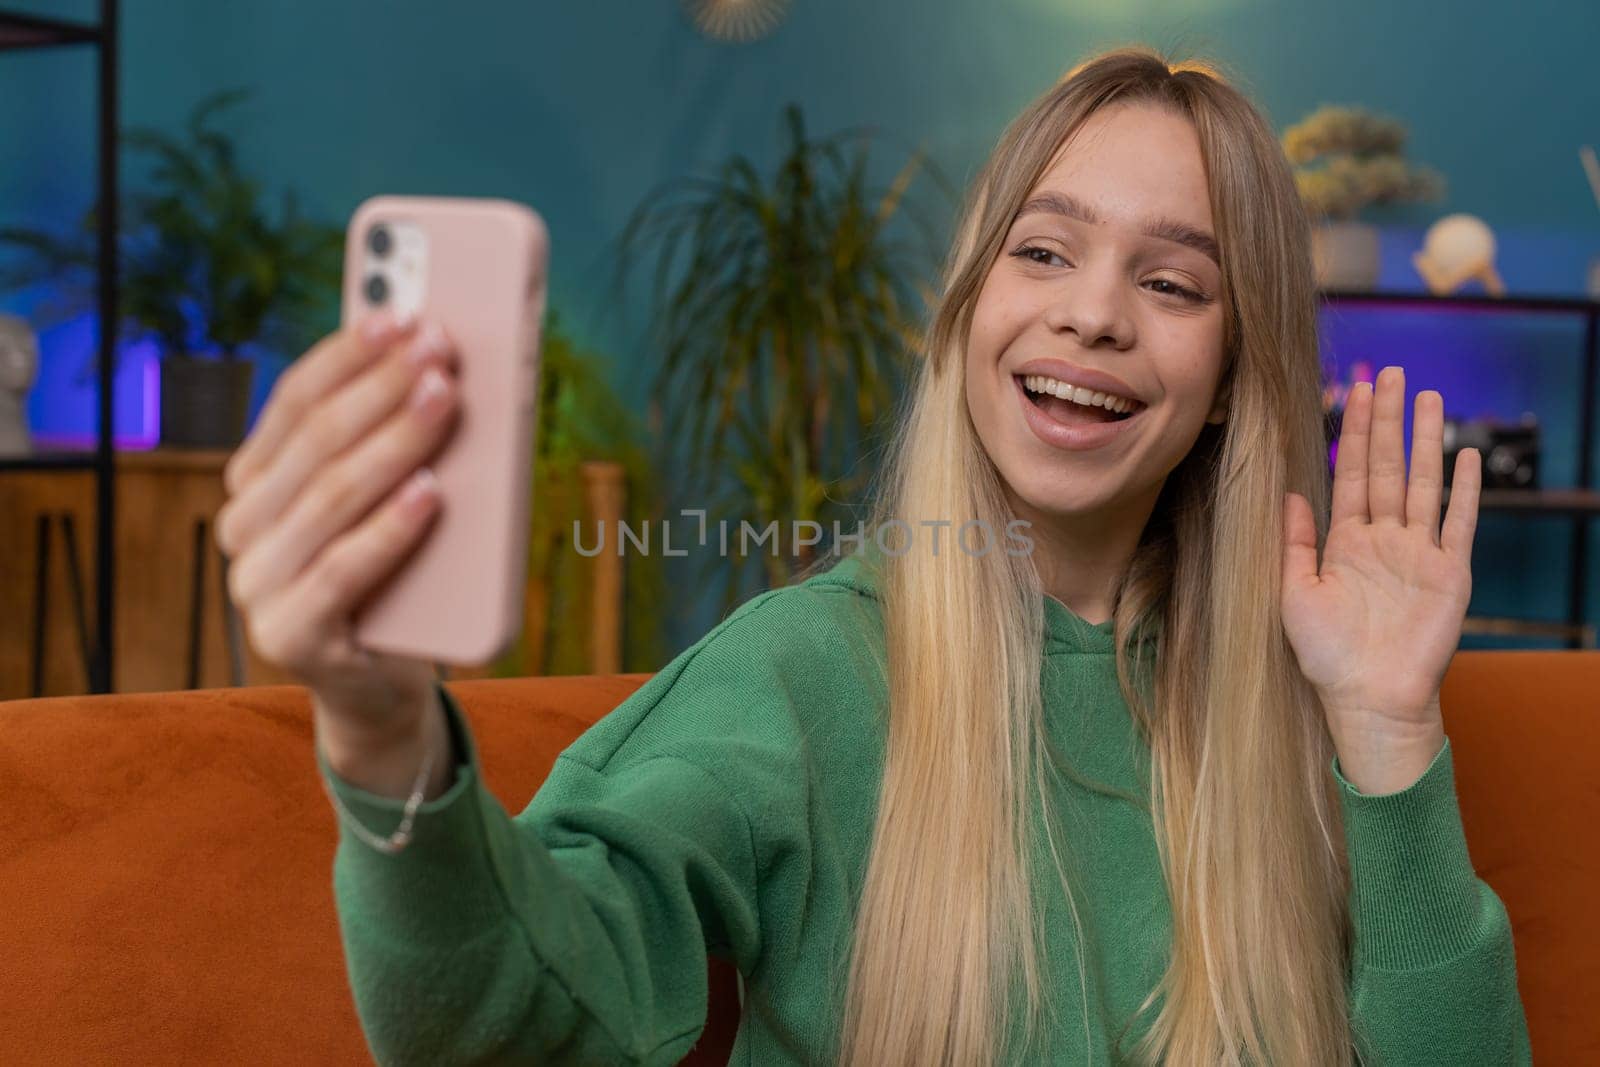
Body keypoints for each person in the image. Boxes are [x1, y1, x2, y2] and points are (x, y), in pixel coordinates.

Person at [216, 46, 1529, 1066]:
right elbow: (517, 1028)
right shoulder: (800, 673)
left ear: (1237, 377)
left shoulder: (1300, 699)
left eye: (1174, 284)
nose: (1091, 312)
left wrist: (1387, 725)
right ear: (968, 311)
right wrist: (382, 736)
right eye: (1045, 251)